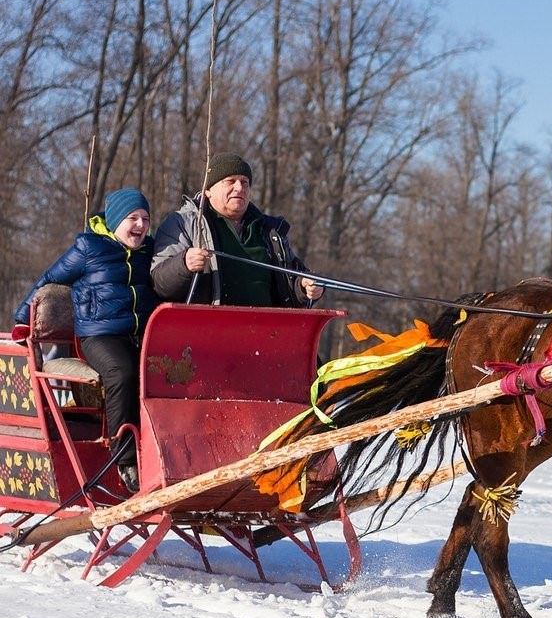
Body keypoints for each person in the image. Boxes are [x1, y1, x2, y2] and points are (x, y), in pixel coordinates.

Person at [13, 188, 158, 491]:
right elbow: (49, 279)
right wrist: (22, 320)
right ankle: (125, 459)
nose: (141, 225)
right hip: (98, 335)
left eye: (145, 218)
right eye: (133, 218)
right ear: (116, 220)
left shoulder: (149, 252)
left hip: (138, 333)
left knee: (161, 374)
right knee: (122, 372)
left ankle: (160, 456)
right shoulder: (90, 247)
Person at [150, 152, 324, 306]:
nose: (239, 188)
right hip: (206, 333)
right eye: (230, 181)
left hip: (266, 334)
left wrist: (305, 287)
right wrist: (184, 264)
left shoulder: (270, 231)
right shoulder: (183, 223)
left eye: (245, 182)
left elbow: (290, 280)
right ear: (208, 190)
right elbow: (159, 284)